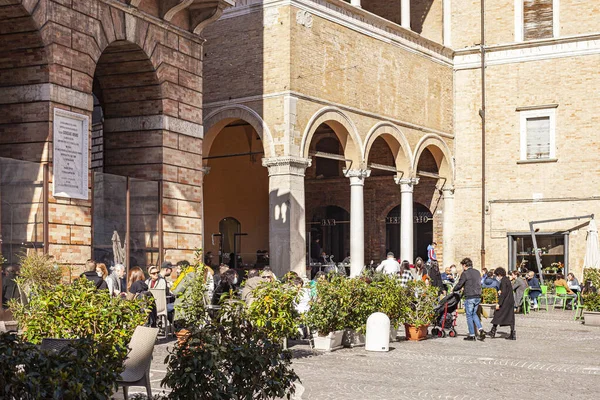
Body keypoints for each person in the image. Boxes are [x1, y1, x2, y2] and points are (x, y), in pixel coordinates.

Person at [453, 257, 486, 341]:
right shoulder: (477, 272)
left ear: (464, 265)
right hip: (478, 296)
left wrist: (454, 289)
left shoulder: (465, 273)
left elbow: (460, 284)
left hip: (470, 296)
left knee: (469, 315)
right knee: (474, 314)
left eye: (462, 266)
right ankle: (481, 329)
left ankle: (472, 335)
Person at [488, 267, 516, 340]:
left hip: (505, 301)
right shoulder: (507, 280)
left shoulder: (503, 281)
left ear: (499, 274)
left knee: (497, 314)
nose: (497, 277)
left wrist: (499, 303)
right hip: (510, 301)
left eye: (497, 275)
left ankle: (493, 331)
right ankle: (512, 333)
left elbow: (503, 293)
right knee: (510, 317)